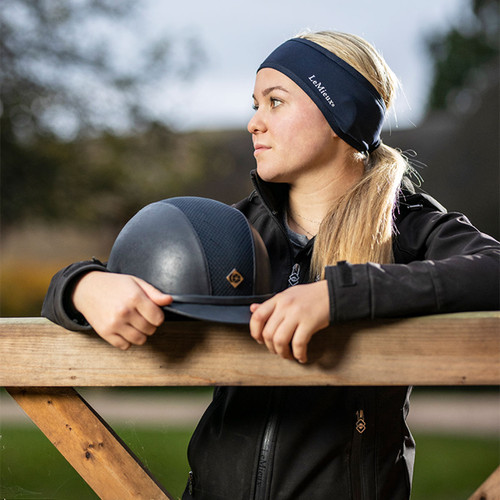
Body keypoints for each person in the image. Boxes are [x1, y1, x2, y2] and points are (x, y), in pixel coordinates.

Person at [42, 30, 500, 499]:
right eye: (255, 104)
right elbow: (74, 288)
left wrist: (340, 296)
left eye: (274, 102)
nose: (253, 123)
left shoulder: (409, 227)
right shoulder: (232, 231)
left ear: (339, 114)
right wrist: (85, 286)